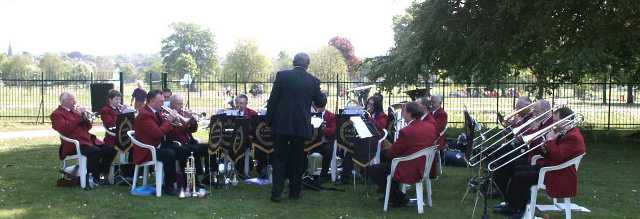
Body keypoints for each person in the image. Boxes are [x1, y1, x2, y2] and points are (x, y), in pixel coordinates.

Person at [497, 107, 586, 218]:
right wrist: (544, 144)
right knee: (518, 169)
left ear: (565, 120)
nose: (553, 123)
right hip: (551, 168)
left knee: (521, 176)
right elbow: (549, 154)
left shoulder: (573, 136)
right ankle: (513, 205)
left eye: (556, 120)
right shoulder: (565, 132)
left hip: (558, 174)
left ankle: (519, 210)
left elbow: (558, 156)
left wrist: (551, 140)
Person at [266, 53, 323, 202]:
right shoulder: (312, 81)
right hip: (301, 126)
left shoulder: (282, 76)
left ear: (293, 62)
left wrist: (269, 121)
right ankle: (295, 192)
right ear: (307, 65)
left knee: (279, 159)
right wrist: (323, 94)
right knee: (298, 159)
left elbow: (273, 100)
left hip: (282, 125)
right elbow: (320, 102)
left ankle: (276, 193)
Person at [367, 102, 437, 208]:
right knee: (387, 164)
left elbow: (392, 153)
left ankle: (398, 198)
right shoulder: (430, 127)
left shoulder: (407, 131)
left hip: (410, 168)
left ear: (409, 113)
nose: (402, 114)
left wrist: (387, 148)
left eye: (403, 111)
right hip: (425, 166)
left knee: (372, 169)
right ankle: (391, 195)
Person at [51, 91, 116, 186]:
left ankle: (102, 174)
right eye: (72, 99)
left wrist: (83, 115)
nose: (75, 101)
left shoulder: (74, 111)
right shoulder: (57, 114)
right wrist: (78, 116)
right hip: (74, 143)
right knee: (95, 151)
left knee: (111, 150)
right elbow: (65, 129)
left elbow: (88, 127)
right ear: (65, 101)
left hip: (87, 140)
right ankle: (91, 177)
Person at [132, 89, 184, 196]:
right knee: (169, 153)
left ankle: (181, 181)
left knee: (180, 149)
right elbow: (158, 134)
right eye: (161, 101)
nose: (163, 103)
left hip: (155, 145)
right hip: (147, 150)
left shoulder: (155, 112)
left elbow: (162, 129)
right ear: (151, 101)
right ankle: (168, 186)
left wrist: (173, 122)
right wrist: (169, 120)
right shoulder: (145, 114)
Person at [165, 94, 209, 185]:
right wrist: (179, 121)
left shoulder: (183, 113)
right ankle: (194, 180)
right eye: (179, 104)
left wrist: (191, 119)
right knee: (192, 150)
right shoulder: (168, 114)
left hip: (189, 142)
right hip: (178, 143)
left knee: (208, 147)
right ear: (172, 104)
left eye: (182, 104)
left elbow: (193, 129)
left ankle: (209, 176)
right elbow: (173, 132)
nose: (181, 106)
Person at [306, 93, 335, 179]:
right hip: (309, 142)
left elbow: (333, 130)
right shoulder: (307, 114)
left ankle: (323, 175)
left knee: (328, 150)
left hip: (323, 143)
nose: (316, 108)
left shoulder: (331, 116)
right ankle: (301, 172)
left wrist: (323, 129)